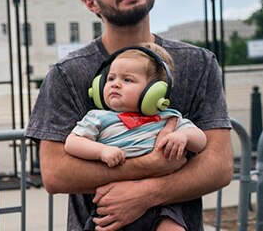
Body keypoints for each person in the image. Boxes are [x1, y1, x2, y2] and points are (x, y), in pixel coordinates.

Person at [25, 0, 233, 231]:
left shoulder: (199, 62)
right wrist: (154, 165)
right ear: (91, 2)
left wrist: (147, 194)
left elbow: (219, 165)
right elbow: (56, 174)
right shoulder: (66, 72)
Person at [64, 43, 207, 230]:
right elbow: (72, 142)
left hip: (162, 204)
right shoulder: (98, 117)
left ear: (155, 92)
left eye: (128, 80)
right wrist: (102, 151)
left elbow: (201, 141)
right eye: (111, 78)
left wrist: (184, 137)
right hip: (112, 204)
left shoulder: (167, 118)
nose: (115, 83)